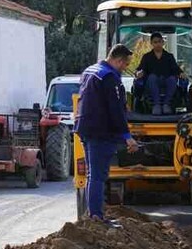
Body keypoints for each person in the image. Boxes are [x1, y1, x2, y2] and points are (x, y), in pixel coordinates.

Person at [77, 43, 139, 225]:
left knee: (91, 175)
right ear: (118, 60)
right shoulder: (110, 77)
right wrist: (127, 136)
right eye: (125, 64)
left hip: (85, 128)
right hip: (100, 132)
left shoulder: (90, 71)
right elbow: (115, 110)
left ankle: (93, 215)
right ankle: (96, 216)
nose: (125, 68)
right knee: (97, 176)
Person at [138, 32, 181, 115]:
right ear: (151, 43)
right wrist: (139, 73)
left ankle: (166, 104)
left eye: (159, 41)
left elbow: (176, 69)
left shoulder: (169, 56)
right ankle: (156, 105)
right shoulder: (146, 57)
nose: (158, 44)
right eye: (155, 42)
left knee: (172, 79)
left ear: (163, 42)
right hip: (151, 83)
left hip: (166, 81)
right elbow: (140, 69)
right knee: (152, 77)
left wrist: (181, 73)